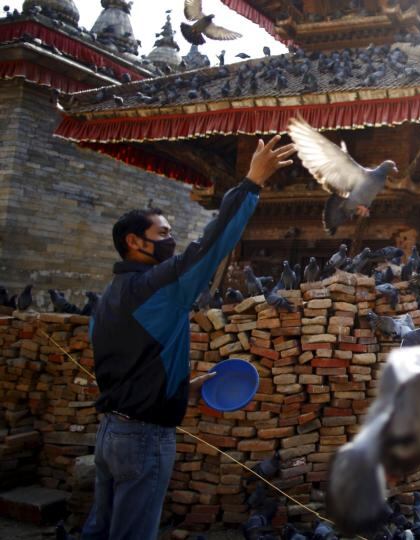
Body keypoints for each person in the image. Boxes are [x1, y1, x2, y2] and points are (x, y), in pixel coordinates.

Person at [81, 136, 296, 540]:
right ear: (135, 242)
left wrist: (180, 388)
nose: (171, 239)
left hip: (110, 434)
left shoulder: (109, 299)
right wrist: (251, 182)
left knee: (100, 530)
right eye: (163, 232)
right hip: (144, 438)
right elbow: (211, 247)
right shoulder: (158, 288)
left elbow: (126, 365)